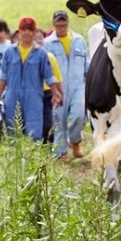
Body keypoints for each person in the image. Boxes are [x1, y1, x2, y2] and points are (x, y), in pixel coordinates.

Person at [0, 16, 61, 140]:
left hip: (34, 96)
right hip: (12, 96)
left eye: (30, 30)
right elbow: (3, 76)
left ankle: (32, 158)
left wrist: (55, 93)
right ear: (19, 31)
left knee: (34, 132)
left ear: (34, 32)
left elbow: (49, 76)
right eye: (24, 29)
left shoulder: (41, 53)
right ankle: (14, 158)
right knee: (12, 129)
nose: (27, 33)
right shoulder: (9, 52)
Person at [44, 10, 88, 159]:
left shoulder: (79, 40)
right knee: (59, 119)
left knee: (79, 116)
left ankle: (75, 141)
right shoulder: (47, 43)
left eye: (64, 24)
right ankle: (60, 152)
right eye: (58, 25)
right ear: (54, 24)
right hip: (59, 86)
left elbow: (86, 62)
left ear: (68, 23)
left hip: (78, 85)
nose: (61, 27)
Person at [35, 28, 63, 144]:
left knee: (48, 124)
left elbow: (57, 79)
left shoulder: (50, 57)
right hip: (32, 94)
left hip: (47, 95)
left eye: (40, 38)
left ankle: (48, 150)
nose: (38, 41)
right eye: (35, 38)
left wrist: (60, 94)